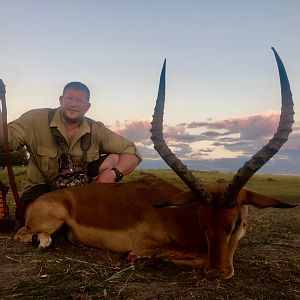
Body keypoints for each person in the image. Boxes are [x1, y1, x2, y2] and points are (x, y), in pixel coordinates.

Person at [0, 81, 141, 221]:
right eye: (69, 98)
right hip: (43, 187)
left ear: (87, 106)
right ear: (61, 100)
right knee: (35, 219)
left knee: (115, 159)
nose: (73, 104)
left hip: (81, 189)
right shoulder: (34, 119)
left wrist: (113, 174)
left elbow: (133, 153)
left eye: (79, 101)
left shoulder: (96, 129)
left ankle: (84, 212)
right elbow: (6, 142)